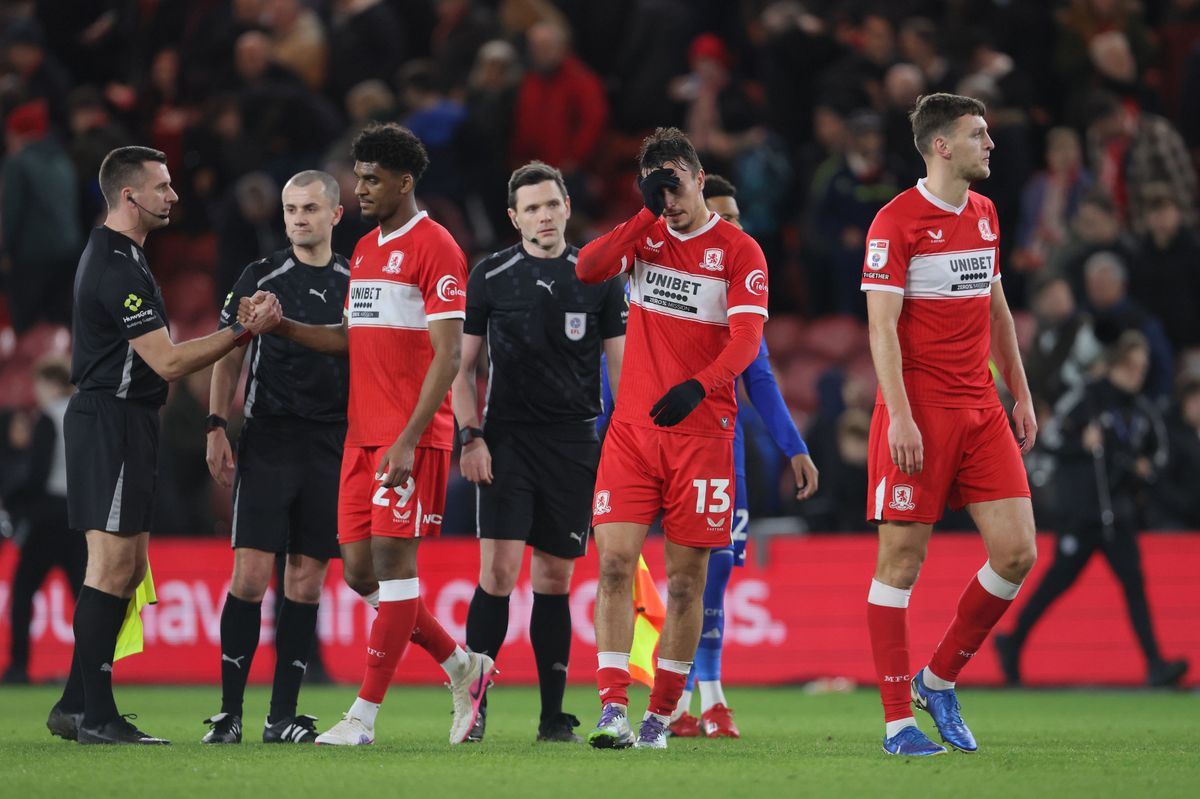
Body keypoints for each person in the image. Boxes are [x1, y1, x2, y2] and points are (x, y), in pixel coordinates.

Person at [242, 123, 493, 746]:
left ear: (404, 182)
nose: (359, 189)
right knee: (358, 573)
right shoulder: (371, 250)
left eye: (371, 179)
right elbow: (353, 339)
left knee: (394, 567)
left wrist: (409, 438)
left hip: (411, 437)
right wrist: (285, 328)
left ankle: (363, 717)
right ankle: (465, 667)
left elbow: (447, 356)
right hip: (361, 437)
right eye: (357, 178)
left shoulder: (437, 247)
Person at [47, 146, 282, 745]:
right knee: (112, 565)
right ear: (130, 196)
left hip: (128, 421)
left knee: (126, 569)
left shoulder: (127, 256)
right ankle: (97, 716)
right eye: (163, 187)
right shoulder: (116, 266)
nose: (174, 196)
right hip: (112, 419)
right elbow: (170, 361)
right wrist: (240, 331)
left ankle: (76, 704)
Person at [574, 127, 769, 750]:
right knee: (613, 565)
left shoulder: (739, 251)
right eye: (659, 188)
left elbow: (745, 342)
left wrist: (701, 384)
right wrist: (642, 212)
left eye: (677, 186)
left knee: (686, 583)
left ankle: (659, 717)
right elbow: (588, 267)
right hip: (633, 433)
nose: (672, 199)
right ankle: (612, 708)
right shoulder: (646, 236)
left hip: (702, 436)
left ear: (700, 178)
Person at [860, 94, 1038, 757]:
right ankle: (896, 724)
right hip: (920, 408)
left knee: (1018, 551)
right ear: (941, 146)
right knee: (901, 562)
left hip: (982, 405)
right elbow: (880, 326)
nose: (989, 143)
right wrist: (900, 414)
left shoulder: (986, 213)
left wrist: (1019, 393)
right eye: (978, 134)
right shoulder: (896, 222)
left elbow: (998, 314)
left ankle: (938, 680)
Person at [452, 161, 627, 744]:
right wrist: (470, 436)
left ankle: (554, 718)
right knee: (498, 574)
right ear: (514, 217)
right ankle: (471, 708)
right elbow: (462, 367)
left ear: (567, 206)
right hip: (505, 441)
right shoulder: (491, 275)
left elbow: (622, 374)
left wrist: (622, 446)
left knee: (554, 579)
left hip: (575, 441)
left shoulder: (599, 274)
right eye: (531, 208)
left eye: (551, 204)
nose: (544, 216)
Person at [200, 170, 351, 745]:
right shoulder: (261, 276)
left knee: (306, 581)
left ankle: (281, 716)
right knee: (250, 575)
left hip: (331, 443)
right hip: (268, 438)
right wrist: (217, 424)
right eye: (290, 210)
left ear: (335, 214)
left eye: (310, 208)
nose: (298, 219)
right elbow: (228, 353)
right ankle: (229, 713)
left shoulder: (356, 278)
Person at [668, 175, 818, 739]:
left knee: (718, 575)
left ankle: (702, 701)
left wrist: (794, 447)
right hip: (664, 453)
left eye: (735, 220)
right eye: (720, 218)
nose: (729, 229)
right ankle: (688, 703)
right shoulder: (667, 290)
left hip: (723, 455)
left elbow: (761, 378)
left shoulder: (742, 299)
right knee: (682, 579)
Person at [994, 333, 1189, 688]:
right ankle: (1013, 641)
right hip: (1083, 513)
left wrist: (1140, 470)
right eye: (1131, 366)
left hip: (1118, 514)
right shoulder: (1086, 397)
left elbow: (1157, 454)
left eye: (1142, 368)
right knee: (1056, 584)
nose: (1137, 375)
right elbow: (1049, 440)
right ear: (1115, 364)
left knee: (1134, 585)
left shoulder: (1141, 409)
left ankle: (1155, 663)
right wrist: (1079, 445)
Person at [2, 356, 85, 685]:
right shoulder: (83, 414)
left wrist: (13, 498)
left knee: (23, 592)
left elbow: (38, 475)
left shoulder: (49, 417)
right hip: (79, 514)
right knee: (84, 596)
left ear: (50, 383)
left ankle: (18, 665)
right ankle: (90, 669)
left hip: (48, 515)